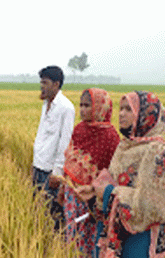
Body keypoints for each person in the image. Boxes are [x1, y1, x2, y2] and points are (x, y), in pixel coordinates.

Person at [86, 91, 165, 258]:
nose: (121, 114)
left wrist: (109, 192)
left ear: (146, 116)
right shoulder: (125, 146)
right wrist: (93, 191)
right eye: (121, 108)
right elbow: (114, 180)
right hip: (115, 231)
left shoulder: (159, 151)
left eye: (129, 109)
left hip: (140, 239)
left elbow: (152, 206)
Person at [61, 88, 120, 257]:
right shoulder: (79, 130)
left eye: (87, 105)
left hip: (94, 199)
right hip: (72, 193)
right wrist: (63, 188)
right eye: (81, 105)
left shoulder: (110, 137)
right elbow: (70, 162)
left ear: (100, 108)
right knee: (72, 233)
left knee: (91, 237)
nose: (82, 110)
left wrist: (97, 195)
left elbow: (113, 173)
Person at [31, 65, 75, 229]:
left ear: (56, 84)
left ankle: (54, 248)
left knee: (52, 215)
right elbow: (41, 135)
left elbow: (65, 142)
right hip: (38, 166)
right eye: (41, 82)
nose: (42, 86)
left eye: (45, 82)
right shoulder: (46, 104)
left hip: (51, 173)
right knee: (37, 210)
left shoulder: (66, 108)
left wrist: (57, 173)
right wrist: (34, 164)